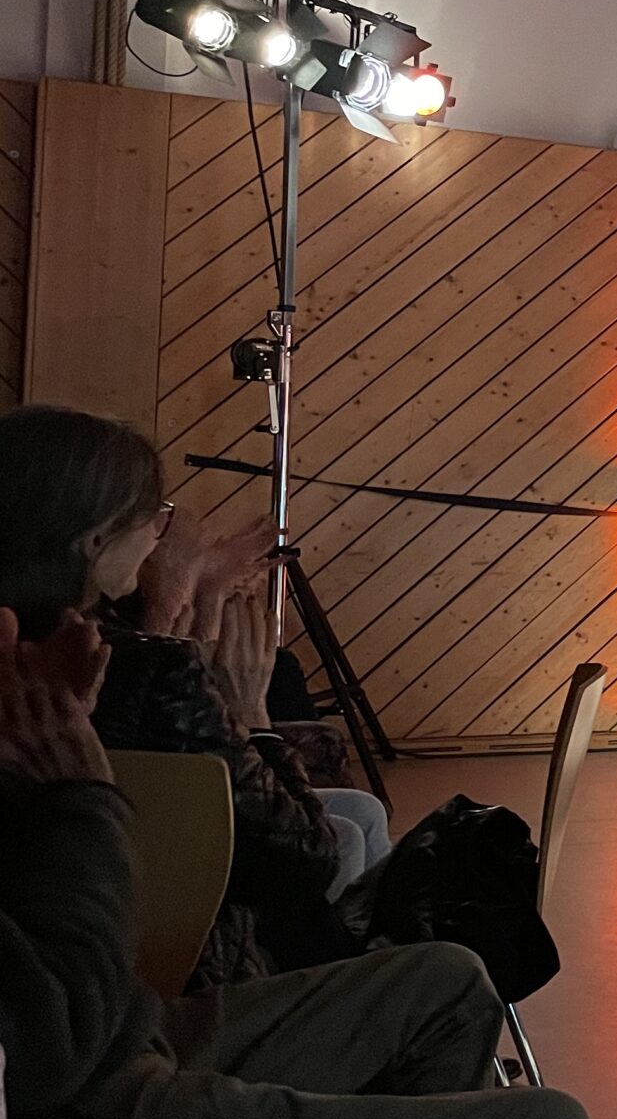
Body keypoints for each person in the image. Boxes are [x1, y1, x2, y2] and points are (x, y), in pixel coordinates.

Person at [0, 605, 597, 1119]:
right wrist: (79, 797)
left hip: (107, 1057)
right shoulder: (160, 671)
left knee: (449, 983)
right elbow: (55, 1038)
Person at [0, 407, 371, 984]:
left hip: (55, 941)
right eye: (154, 518)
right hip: (153, 961)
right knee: (445, 968)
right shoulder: (146, 668)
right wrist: (253, 715)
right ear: (96, 540)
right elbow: (304, 857)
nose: (157, 534)